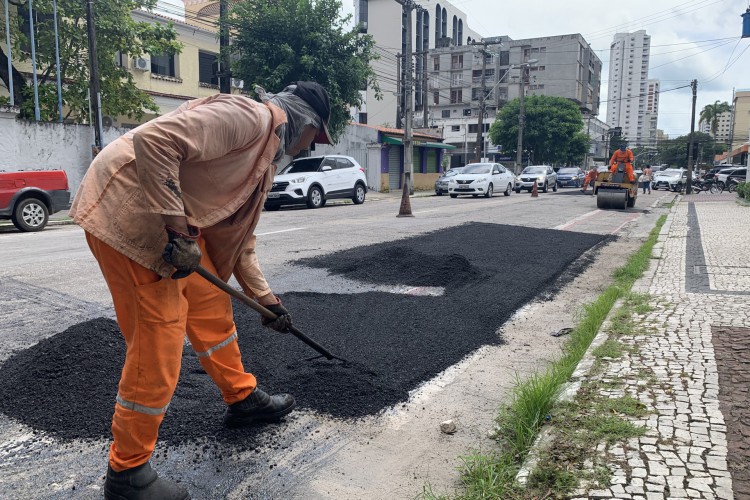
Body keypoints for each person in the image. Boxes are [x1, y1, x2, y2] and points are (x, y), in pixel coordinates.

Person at [70, 81, 334, 500]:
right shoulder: (248, 117)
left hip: (173, 227)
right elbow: (154, 140)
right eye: (315, 139)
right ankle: (128, 472)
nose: (309, 148)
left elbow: (241, 241)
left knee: (212, 303)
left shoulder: (263, 163)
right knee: (159, 335)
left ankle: (242, 397)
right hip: (132, 210)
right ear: (307, 126)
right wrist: (178, 230)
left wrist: (267, 302)